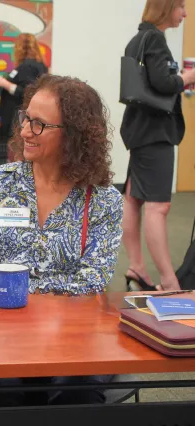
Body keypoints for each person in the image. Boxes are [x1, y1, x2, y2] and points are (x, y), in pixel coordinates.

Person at [0, 75, 123, 407]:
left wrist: (25, 295)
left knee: (75, 393)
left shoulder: (103, 200)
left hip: (72, 333)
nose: (23, 132)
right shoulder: (0, 184)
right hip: (3, 335)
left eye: (39, 125)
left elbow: (93, 278)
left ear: (74, 136)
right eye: (25, 119)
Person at [120, 0, 195, 291]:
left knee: (134, 199)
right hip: (155, 133)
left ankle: (137, 268)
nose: (185, 14)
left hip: (140, 132)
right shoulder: (155, 39)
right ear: (167, 8)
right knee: (158, 206)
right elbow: (163, 84)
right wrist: (187, 78)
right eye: (181, 7)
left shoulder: (137, 39)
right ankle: (169, 281)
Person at [0, 33, 48, 148]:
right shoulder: (37, 65)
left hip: (17, 117)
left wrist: (4, 83)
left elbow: (26, 92)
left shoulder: (27, 67)